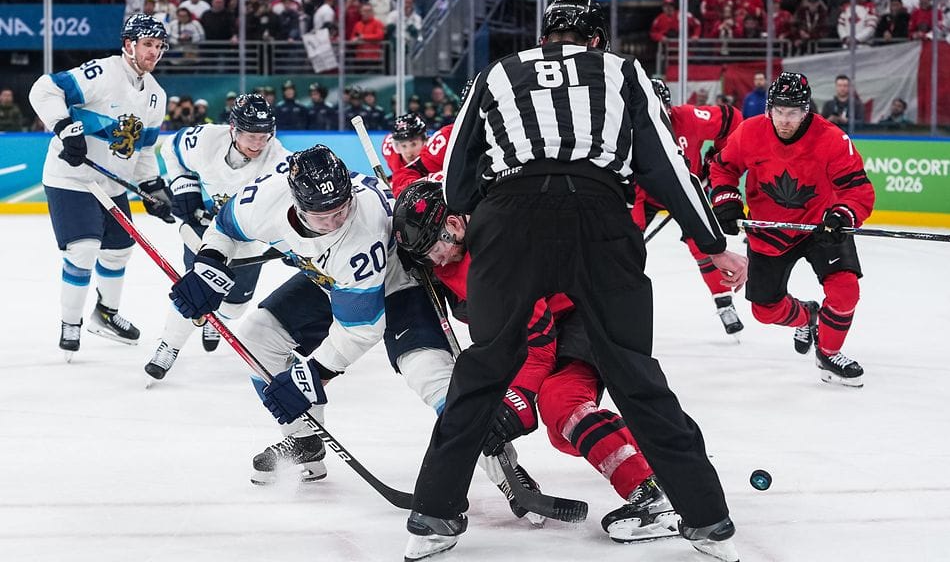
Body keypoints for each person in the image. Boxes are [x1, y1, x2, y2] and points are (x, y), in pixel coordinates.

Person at [403, 0, 746, 562]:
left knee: (485, 366)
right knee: (634, 372)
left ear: (545, 39)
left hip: (509, 220)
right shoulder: (623, 71)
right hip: (600, 217)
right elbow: (666, 165)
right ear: (596, 41)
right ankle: (707, 519)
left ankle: (433, 515)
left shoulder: (497, 72)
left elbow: (457, 180)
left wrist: (489, 214)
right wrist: (712, 244)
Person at [165, 145, 543, 521]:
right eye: (322, 215)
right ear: (296, 201)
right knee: (257, 339)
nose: (335, 220)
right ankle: (305, 441)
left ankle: (506, 471)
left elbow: (361, 329)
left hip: (398, 283)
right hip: (329, 278)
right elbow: (226, 227)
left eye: (341, 208)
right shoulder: (266, 197)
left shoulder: (361, 231)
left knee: (433, 378)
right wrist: (208, 263)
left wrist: (312, 376)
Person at [394, 180, 682, 544]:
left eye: (434, 249)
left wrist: (515, 401)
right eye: (425, 257)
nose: (434, 261)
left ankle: (654, 493)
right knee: (565, 432)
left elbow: (539, 341)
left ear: (454, 225)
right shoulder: (456, 245)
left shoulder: (492, 253)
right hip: (561, 309)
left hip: (586, 311)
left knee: (561, 404)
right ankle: (662, 462)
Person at [709, 71, 875, 387]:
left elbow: (858, 190)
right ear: (769, 108)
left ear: (806, 110)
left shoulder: (831, 139)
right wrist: (727, 200)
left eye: (794, 112)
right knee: (764, 310)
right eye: (780, 111)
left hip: (820, 226)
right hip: (769, 230)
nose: (785, 120)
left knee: (845, 289)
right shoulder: (750, 132)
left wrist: (843, 215)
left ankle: (828, 353)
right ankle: (807, 317)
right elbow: (723, 168)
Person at [28, 14, 174, 361]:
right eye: (147, 45)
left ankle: (106, 314)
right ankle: (70, 323)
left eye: (158, 46)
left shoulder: (156, 95)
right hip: (71, 178)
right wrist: (64, 127)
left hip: (111, 185)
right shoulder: (103, 73)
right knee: (83, 249)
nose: (154, 52)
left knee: (120, 249)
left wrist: (153, 186)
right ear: (129, 45)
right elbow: (44, 88)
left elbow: (144, 150)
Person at [145, 93, 288, 380]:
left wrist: (291, 243)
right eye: (251, 135)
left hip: (248, 234)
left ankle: (217, 316)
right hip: (209, 228)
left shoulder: (278, 161)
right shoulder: (205, 140)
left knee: (235, 308)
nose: (259, 144)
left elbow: (287, 207)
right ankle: (168, 346)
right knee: (197, 286)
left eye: (265, 136)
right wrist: (184, 187)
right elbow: (171, 150)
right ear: (234, 128)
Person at [636, 79, 745, 337]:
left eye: (662, 108)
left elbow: (732, 119)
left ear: (670, 107)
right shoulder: (629, 127)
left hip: (685, 191)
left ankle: (723, 300)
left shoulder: (689, 118)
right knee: (626, 247)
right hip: (643, 193)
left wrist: (715, 160)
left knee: (704, 246)